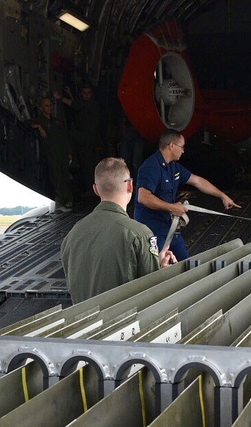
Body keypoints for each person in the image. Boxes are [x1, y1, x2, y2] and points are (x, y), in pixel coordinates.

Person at [61, 158, 176, 302]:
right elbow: (152, 292)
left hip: (84, 323)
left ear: (96, 189)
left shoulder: (72, 235)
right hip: (123, 323)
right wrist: (162, 272)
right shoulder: (139, 234)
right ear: (130, 186)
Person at [134, 129, 239, 260]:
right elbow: (143, 197)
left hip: (170, 227)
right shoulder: (151, 167)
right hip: (152, 230)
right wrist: (172, 207)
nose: (183, 151)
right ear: (172, 146)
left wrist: (222, 196)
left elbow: (197, 181)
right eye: (182, 147)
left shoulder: (174, 167)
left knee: (185, 262)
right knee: (155, 268)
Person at [29, 96, 74, 211]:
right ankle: (60, 203)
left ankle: (68, 200)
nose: (49, 108)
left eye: (50, 105)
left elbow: (64, 137)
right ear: (41, 107)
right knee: (57, 177)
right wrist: (39, 127)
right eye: (46, 105)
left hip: (62, 153)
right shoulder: (39, 120)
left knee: (65, 176)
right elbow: (28, 124)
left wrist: (68, 152)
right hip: (51, 154)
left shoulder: (56, 121)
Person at [57, 84, 103, 192]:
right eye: (84, 93)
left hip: (88, 140)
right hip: (85, 139)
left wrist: (60, 97)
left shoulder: (93, 105)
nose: (86, 95)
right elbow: (78, 106)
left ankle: (90, 190)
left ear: (91, 94)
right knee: (85, 164)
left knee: (87, 165)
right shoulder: (89, 104)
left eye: (88, 93)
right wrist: (69, 94)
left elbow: (76, 105)